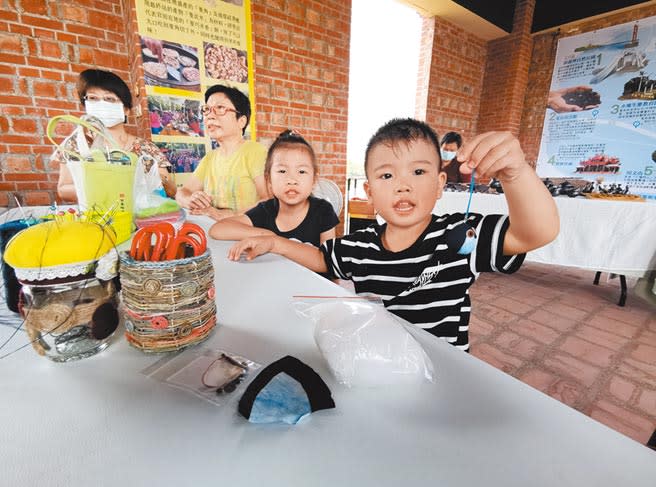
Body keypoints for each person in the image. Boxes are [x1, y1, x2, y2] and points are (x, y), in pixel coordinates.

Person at [226, 118, 559, 351]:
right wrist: (275, 242)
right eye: (387, 175)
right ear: (369, 192)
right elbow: (321, 258)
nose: (403, 184)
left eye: (418, 171)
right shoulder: (361, 245)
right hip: (381, 360)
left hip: (446, 372)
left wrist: (516, 172)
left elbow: (535, 233)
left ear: (440, 184)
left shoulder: (459, 235)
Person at [53, 69, 176, 200]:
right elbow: (63, 189)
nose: (101, 104)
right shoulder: (76, 144)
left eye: (109, 99)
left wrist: (143, 182)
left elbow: (170, 188)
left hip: (140, 216)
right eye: (93, 98)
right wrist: (104, 188)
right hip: (95, 216)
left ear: (126, 110)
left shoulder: (146, 147)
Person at [209, 130, 338, 247]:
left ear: (314, 180)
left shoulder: (323, 211)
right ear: (269, 179)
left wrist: (278, 244)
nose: (292, 180)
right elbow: (217, 229)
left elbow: (328, 262)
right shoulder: (266, 210)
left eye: (302, 172)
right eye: (282, 171)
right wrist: (267, 235)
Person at [175, 84, 269, 220]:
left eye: (220, 108)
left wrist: (226, 215)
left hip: (245, 235)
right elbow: (182, 193)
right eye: (207, 110)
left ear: (241, 121)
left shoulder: (255, 151)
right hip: (214, 231)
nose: (210, 116)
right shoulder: (210, 158)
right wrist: (191, 200)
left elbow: (269, 200)